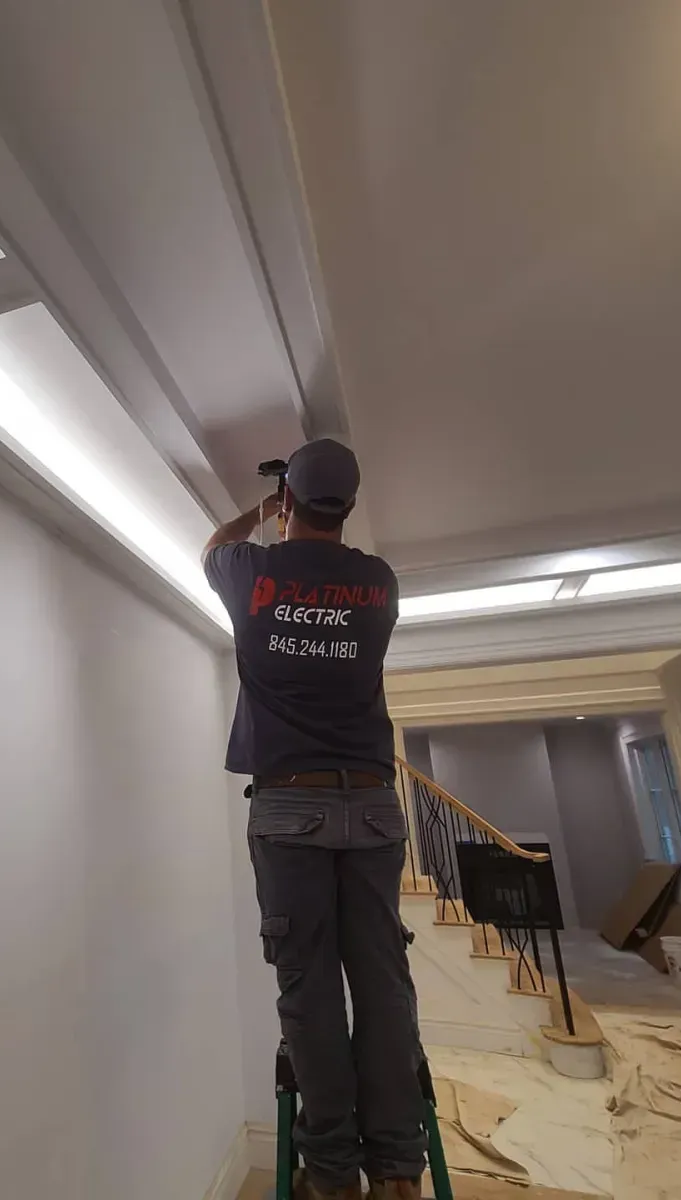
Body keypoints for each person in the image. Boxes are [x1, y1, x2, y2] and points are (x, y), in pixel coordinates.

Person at [202, 439, 426, 1200]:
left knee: (311, 991)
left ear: (290, 502)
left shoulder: (252, 571)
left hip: (289, 802)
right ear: (352, 508)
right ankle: (398, 1165)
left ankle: (331, 1174)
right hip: (370, 803)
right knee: (383, 982)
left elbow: (215, 544)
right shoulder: (380, 582)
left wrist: (263, 510)